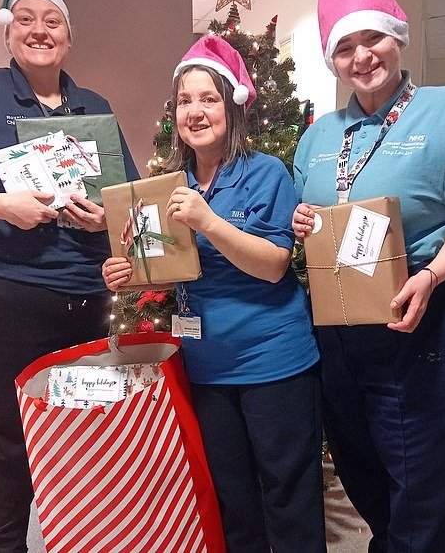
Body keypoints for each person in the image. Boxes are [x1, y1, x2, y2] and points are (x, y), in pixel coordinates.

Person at [292, 0, 445, 553]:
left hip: (432, 310)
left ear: (396, 38)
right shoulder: (318, 135)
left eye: (373, 39)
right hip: (344, 329)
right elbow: (314, 216)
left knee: (429, 487)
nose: (362, 56)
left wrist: (434, 274)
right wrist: (302, 221)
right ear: (333, 60)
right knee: (366, 472)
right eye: (345, 47)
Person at [0, 0, 138, 553]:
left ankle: (87, 536)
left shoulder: (94, 107)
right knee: (3, 434)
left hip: (87, 295)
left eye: (53, 22)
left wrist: (104, 218)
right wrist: (4, 205)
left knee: (87, 427)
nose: (40, 31)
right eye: (27, 19)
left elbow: (126, 197)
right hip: (5, 293)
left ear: (68, 37)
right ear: (8, 32)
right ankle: (5, 544)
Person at [103, 35, 326, 552]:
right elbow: (171, 269)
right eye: (185, 100)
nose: (195, 111)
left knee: (289, 501)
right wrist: (130, 274)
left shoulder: (265, 173)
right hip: (207, 368)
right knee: (234, 503)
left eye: (208, 99)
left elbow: (274, 266)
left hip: (275, 363)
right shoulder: (168, 186)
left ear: (232, 107)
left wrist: (207, 221)